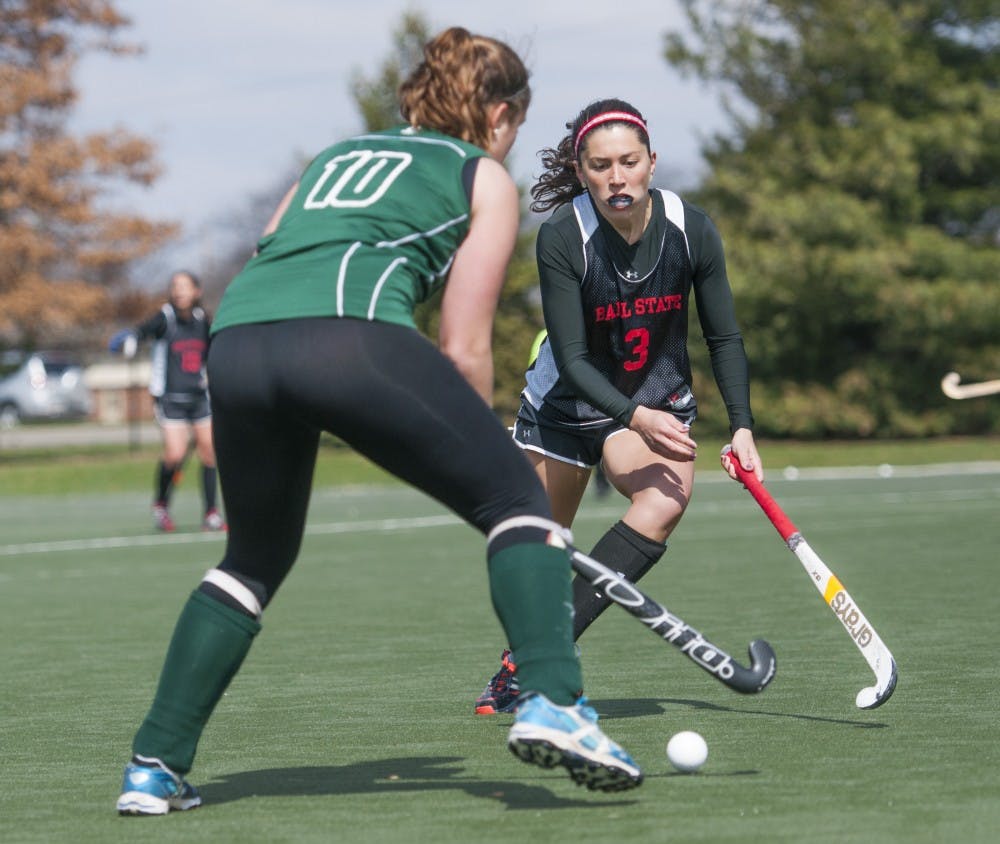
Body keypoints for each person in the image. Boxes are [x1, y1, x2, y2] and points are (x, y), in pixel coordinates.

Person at [114, 30, 643, 816]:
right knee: (520, 508)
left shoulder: (333, 156)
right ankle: (555, 702)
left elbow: (274, 246)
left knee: (252, 560)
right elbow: (462, 344)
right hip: (349, 336)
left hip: (238, 343)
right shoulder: (479, 175)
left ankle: (152, 768)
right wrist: (485, 440)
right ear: (499, 113)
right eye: (517, 123)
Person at [474, 98, 763, 715]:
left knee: (663, 503)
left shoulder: (692, 229)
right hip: (565, 405)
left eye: (629, 162)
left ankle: (535, 661)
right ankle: (526, 654)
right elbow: (574, 361)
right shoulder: (564, 237)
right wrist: (633, 415)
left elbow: (724, 338)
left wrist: (741, 426)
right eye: (601, 165)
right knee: (542, 551)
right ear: (582, 172)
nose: (616, 177)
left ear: (651, 163)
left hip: (651, 399)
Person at [109, 270, 225, 533]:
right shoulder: (165, 318)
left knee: (209, 451)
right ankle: (161, 504)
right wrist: (128, 340)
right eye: (175, 286)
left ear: (197, 291)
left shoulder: (202, 319)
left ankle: (211, 513)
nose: (179, 291)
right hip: (170, 398)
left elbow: (215, 349)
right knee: (175, 454)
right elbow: (140, 332)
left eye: (185, 286)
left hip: (199, 397)